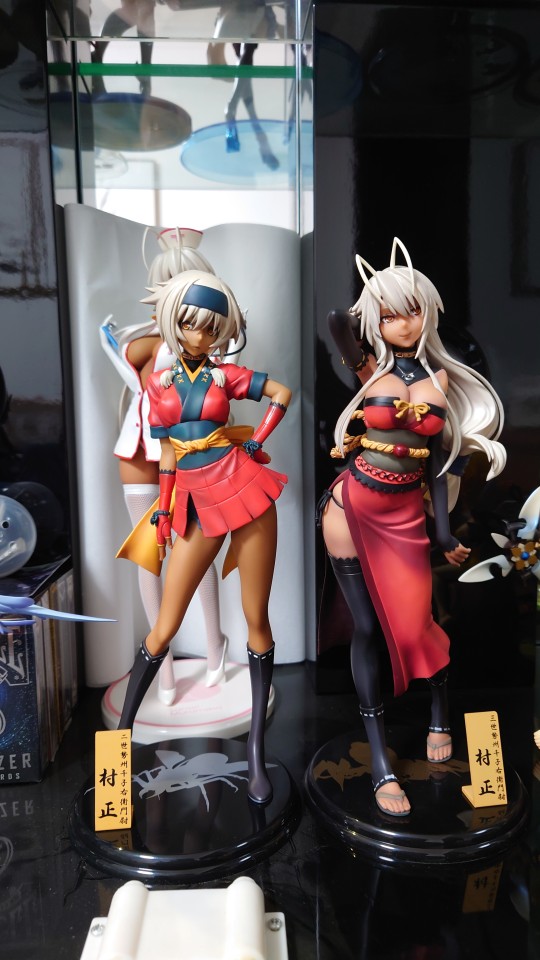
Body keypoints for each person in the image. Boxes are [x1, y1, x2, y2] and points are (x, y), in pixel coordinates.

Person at [320, 238, 506, 816]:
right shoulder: (368, 370)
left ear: (429, 312)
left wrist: (444, 533)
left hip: (404, 513)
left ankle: (438, 712)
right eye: (389, 315)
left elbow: (438, 466)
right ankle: (380, 761)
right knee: (366, 629)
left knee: (418, 621)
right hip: (351, 505)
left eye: (411, 310)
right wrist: (370, 299)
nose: (401, 323)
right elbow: (337, 323)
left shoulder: (439, 382)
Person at [117, 269, 291, 804]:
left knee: (256, 618)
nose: (201, 335)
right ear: (175, 322)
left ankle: (256, 751)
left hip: (243, 486)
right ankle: (116, 748)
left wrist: (256, 441)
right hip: (193, 501)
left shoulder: (225, 376)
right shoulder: (158, 385)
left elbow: (281, 392)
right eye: (192, 324)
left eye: (212, 328)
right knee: (164, 626)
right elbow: (167, 455)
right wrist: (164, 509)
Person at [100, 227, 228, 707]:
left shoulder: (205, 343)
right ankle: (162, 660)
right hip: (139, 451)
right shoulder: (146, 338)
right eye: (164, 284)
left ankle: (215, 645)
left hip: (186, 454)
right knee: (147, 554)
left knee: (195, 548)